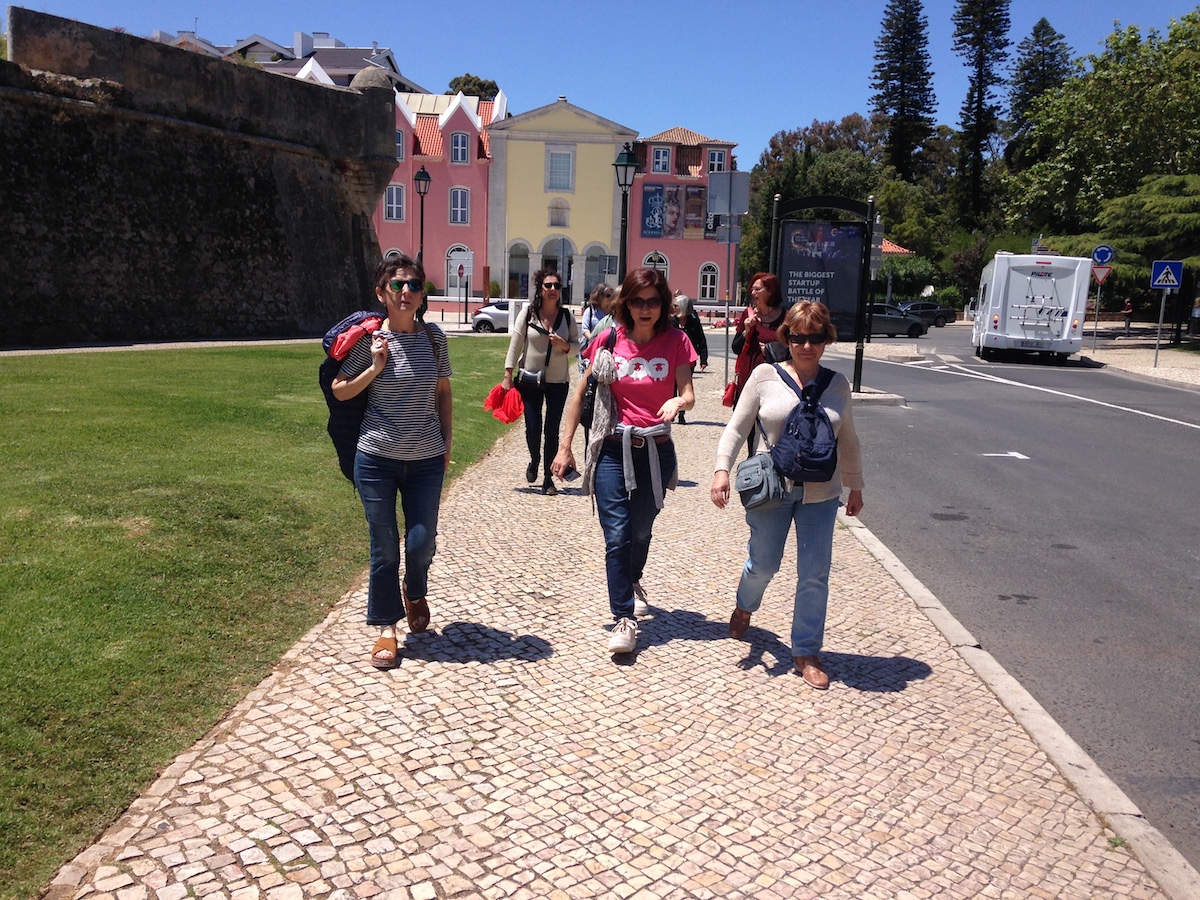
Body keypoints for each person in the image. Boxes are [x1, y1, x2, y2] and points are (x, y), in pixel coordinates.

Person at [709, 300, 864, 690]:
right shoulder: (764, 376)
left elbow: (848, 438)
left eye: (814, 338)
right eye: (798, 337)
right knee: (764, 564)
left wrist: (855, 485)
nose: (806, 345)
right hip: (772, 488)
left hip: (822, 494)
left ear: (826, 340)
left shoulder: (837, 384)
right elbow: (736, 427)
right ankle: (745, 605)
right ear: (787, 337)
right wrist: (721, 469)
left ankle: (806, 651)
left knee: (815, 574)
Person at [551, 267, 697, 655]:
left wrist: (678, 401)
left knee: (641, 530)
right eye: (636, 300)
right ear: (625, 303)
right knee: (617, 534)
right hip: (613, 448)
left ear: (663, 303)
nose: (644, 308)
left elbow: (689, 392)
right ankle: (624, 617)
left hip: (656, 450)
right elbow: (579, 394)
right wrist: (566, 447)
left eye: (652, 301)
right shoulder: (609, 337)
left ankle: (633, 578)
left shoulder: (677, 340)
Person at [331, 254, 453, 670]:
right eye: (397, 285)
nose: (406, 292)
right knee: (384, 546)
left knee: (421, 544)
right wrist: (376, 367)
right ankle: (386, 627)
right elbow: (341, 389)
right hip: (377, 458)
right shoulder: (369, 341)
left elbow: (442, 394)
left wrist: (447, 442)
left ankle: (414, 590)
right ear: (381, 293)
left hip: (424, 460)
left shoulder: (435, 339)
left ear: (422, 294)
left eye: (414, 285)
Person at [502, 268, 579, 495]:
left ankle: (548, 478)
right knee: (533, 427)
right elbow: (515, 345)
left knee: (552, 429)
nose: (553, 289)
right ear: (540, 289)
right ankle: (534, 460)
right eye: (548, 286)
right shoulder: (528, 314)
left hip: (558, 381)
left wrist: (564, 345)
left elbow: (577, 347)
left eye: (557, 285)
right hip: (530, 379)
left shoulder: (567, 316)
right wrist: (508, 374)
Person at [730, 273, 787, 451]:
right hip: (749, 376)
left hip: (776, 378)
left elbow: (793, 348)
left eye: (757, 289)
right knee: (748, 423)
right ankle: (753, 460)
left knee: (774, 420)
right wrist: (747, 330)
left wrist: (770, 349)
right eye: (752, 289)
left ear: (770, 291)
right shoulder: (747, 315)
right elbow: (735, 348)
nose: (753, 293)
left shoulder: (786, 317)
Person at [671, 291, 708, 424]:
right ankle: (673, 412)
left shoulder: (693, 322)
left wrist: (704, 359)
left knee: (684, 387)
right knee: (671, 387)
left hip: (689, 360)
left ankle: (682, 413)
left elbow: (701, 340)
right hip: (672, 359)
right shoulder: (671, 322)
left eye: (676, 306)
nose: (673, 308)